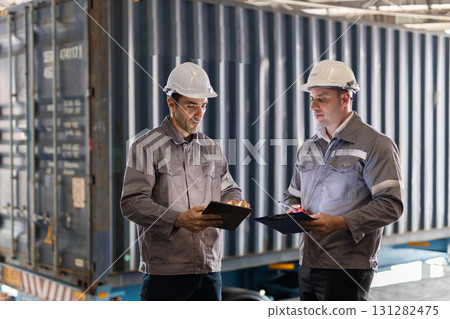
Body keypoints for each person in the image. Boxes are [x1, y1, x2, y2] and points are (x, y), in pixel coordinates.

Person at [120, 62, 249, 301]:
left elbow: (229, 187)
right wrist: (178, 219)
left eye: (203, 106)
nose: (199, 114)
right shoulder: (146, 147)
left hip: (210, 270)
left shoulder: (211, 148)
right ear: (171, 103)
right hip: (166, 275)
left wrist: (235, 202)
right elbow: (132, 202)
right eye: (192, 106)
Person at [283, 60, 403, 301]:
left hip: (348, 266)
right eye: (312, 98)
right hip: (308, 261)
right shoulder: (309, 147)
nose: (313, 106)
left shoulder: (375, 144)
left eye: (322, 99)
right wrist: (292, 211)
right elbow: (292, 196)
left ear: (345, 98)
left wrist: (339, 223)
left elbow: (391, 205)